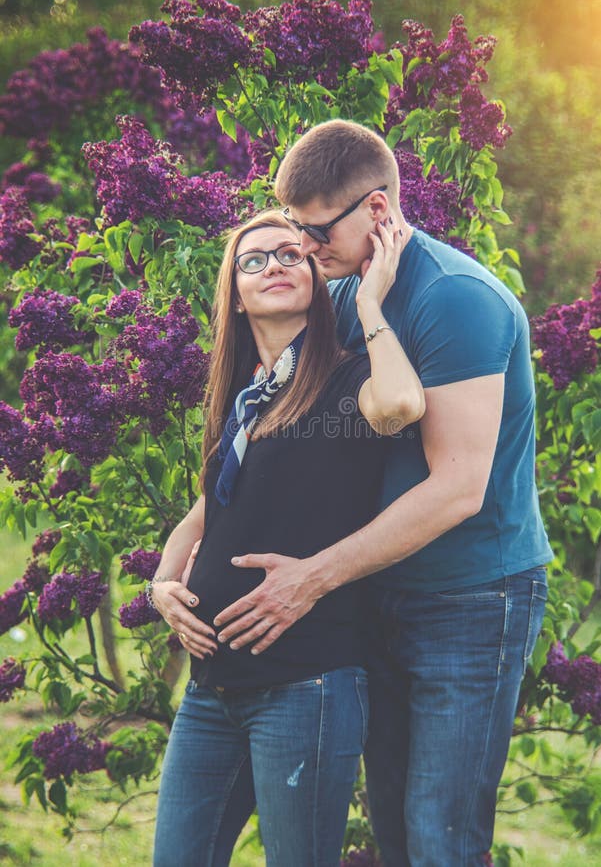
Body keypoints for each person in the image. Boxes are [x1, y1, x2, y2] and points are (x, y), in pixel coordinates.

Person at [209, 120, 553, 866]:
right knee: (394, 832)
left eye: (312, 227)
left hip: (469, 598)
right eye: (290, 225)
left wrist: (312, 578)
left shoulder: (455, 299)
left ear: (375, 210)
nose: (300, 245)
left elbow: (457, 488)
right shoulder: (336, 289)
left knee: (441, 834)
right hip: (377, 591)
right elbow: (271, 441)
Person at [148, 208, 425, 867]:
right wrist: (163, 581)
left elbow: (400, 407)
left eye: (289, 254)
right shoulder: (246, 395)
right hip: (212, 686)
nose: (273, 264)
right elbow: (210, 506)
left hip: (305, 684)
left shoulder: (347, 377)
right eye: (253, 260)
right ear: (236, 298)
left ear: (313, 276)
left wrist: (368, 300)